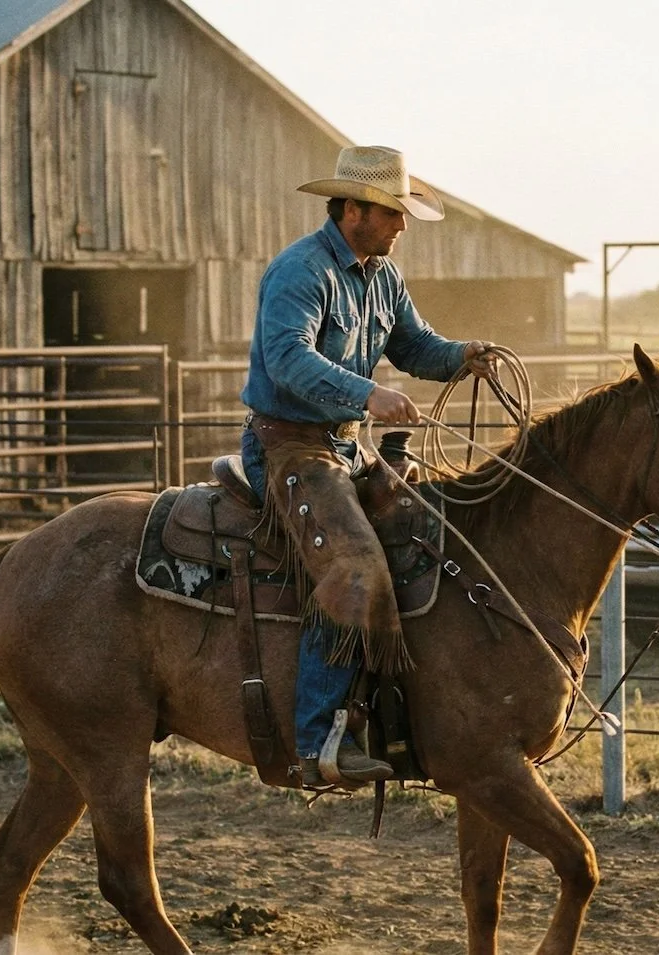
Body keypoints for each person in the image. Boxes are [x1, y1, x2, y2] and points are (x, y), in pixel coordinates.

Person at [239, 145, 498, 788]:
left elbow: (415, 346)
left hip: (347, 447)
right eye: (391, 212)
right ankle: (317, 740)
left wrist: (460, 354)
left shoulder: (383, 277)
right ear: (352, 209)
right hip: (289, 446)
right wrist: (367, 394)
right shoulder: (301, 271)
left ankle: (407, 709)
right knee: (353, 561)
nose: (402, 225)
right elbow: (287, 359)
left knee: (427, 533)